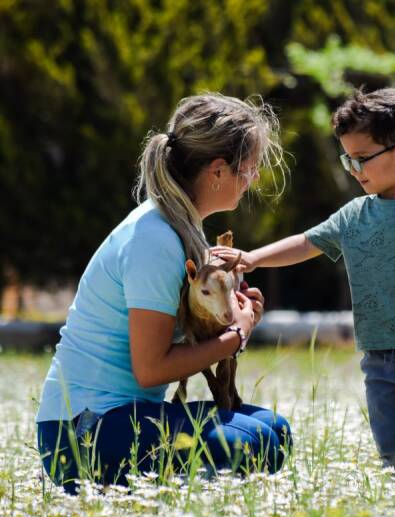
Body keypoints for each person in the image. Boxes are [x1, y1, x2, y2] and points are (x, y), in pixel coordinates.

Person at [36, 93, 291, 494]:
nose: (254, 179)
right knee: (249, 445)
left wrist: (233, 318)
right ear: (218, 171)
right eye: (250, 168)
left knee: (274, 432)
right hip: (82, 433)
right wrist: (234, 336)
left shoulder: (178, 228)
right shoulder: (155, 239)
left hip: (123, 417)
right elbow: (151, 370)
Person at [213, 88, 395, 475]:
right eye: (348, 159)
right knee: (392, 453)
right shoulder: (353, 215)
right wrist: (252, 258)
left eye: (362, 159)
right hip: (376, 358)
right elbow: (306, 242)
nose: (354, 169)